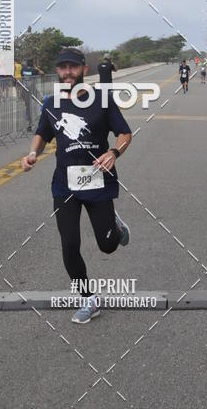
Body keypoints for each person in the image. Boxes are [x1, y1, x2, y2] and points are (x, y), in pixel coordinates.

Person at [21, 46, 132, 324]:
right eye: (62, 67)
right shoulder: (51, 102)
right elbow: (42, 133)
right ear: (57, 71)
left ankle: (115, 226)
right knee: (70, 243)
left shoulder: (102, 100)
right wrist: (33, 152)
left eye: (72, 67)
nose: (67, 72)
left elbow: (124, 133)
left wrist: (114, 153)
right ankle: (88, 299)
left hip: (98, 182)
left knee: (107, 246)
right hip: (65, 185)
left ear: (84, 69)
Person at [20, 58, 44, 131]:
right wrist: (36, 67)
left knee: (28, 107)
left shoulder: (23, 70)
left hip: (25, 90)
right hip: (33, 90)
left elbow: (22, 75)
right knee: (40, 103)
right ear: (33, 64)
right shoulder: (34, 70)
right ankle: (39, 120)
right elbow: (42, 73)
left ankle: (29, 124)